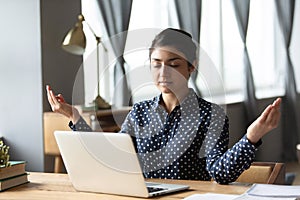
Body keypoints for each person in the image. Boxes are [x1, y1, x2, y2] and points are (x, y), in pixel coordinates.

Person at [46, 28, 281, 184]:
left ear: (192, 66)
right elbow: (112, 158)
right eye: (156, 64)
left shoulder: (211, 115)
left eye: (174, 64)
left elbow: (220, 174)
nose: (163, 73)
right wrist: (75, 117)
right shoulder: (139, 113)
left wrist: (252, 136)